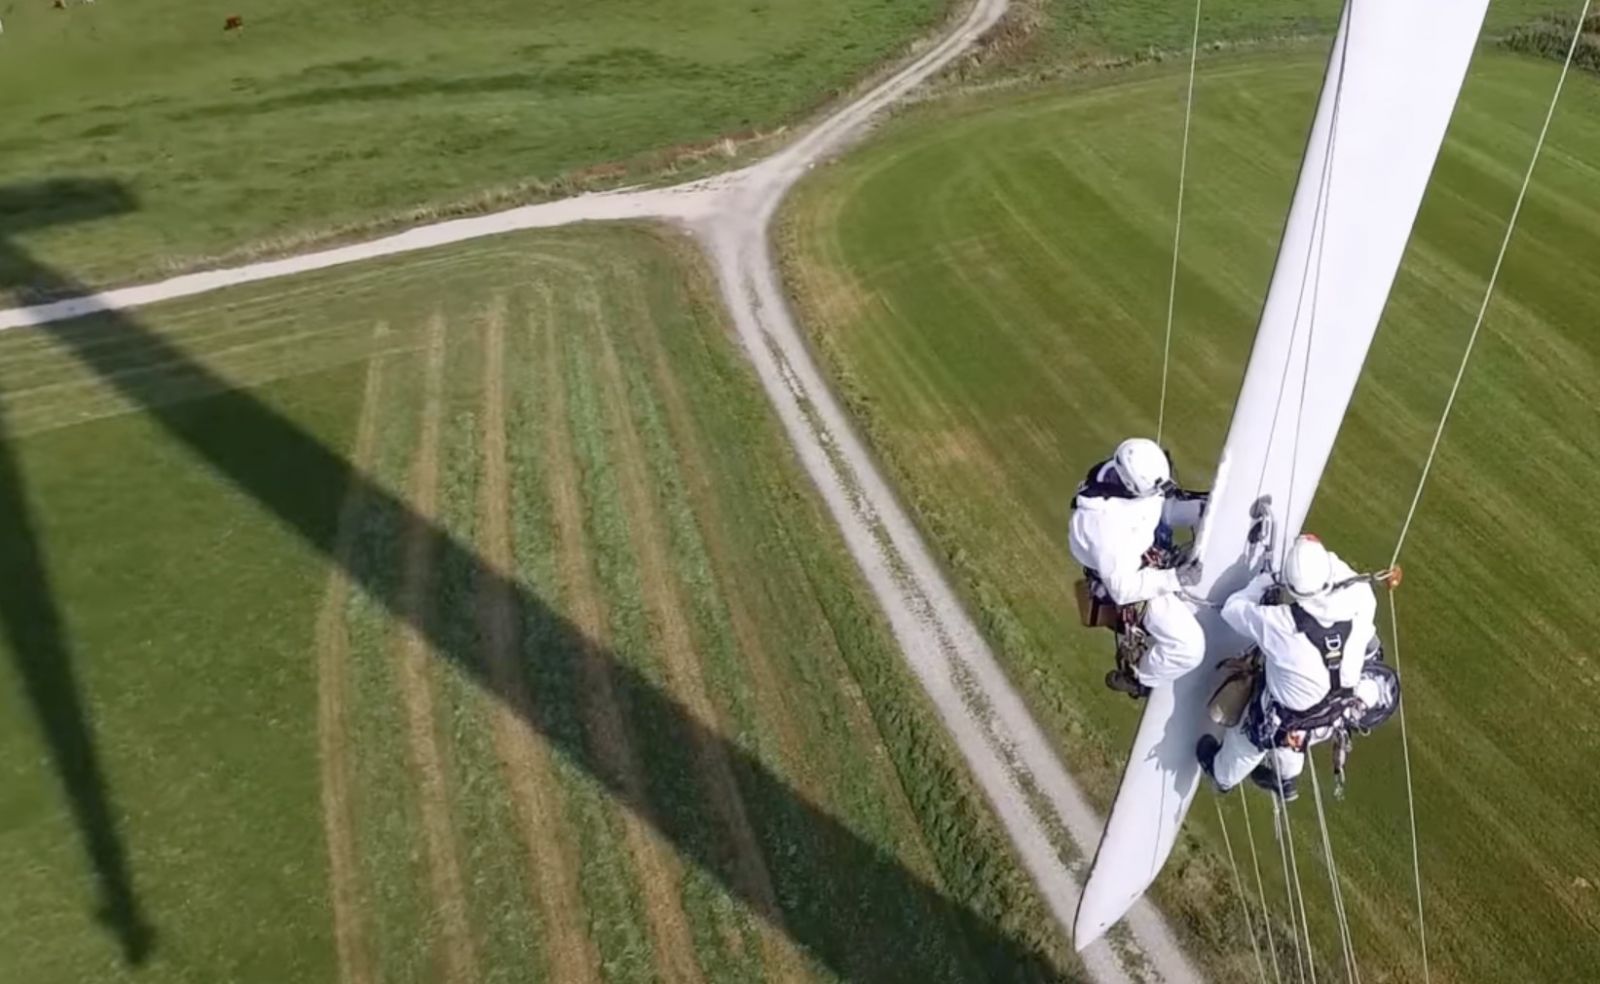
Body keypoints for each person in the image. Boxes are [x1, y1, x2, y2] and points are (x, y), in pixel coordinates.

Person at [1197, 533, 1380, 800]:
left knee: (1247, 743)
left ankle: (1223, 776)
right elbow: (1341, 572)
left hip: (1286, 717)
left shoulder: (1282, 624)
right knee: (1296, 731)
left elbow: (1233, 610)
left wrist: (1263, 582)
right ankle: (1287, 779)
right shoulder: (1361, 597)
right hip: (1332, 715)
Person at [1069, 437, 1206, 698]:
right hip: (1132, 580)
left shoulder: (1131, 477)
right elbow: (1123, 589)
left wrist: (1200, 511)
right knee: (1188, 647)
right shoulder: (1102, 525)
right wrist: (1174, 578)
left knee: (1201, 520)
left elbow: (1159, 510)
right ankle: (1140, 678)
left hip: (1145, 548)